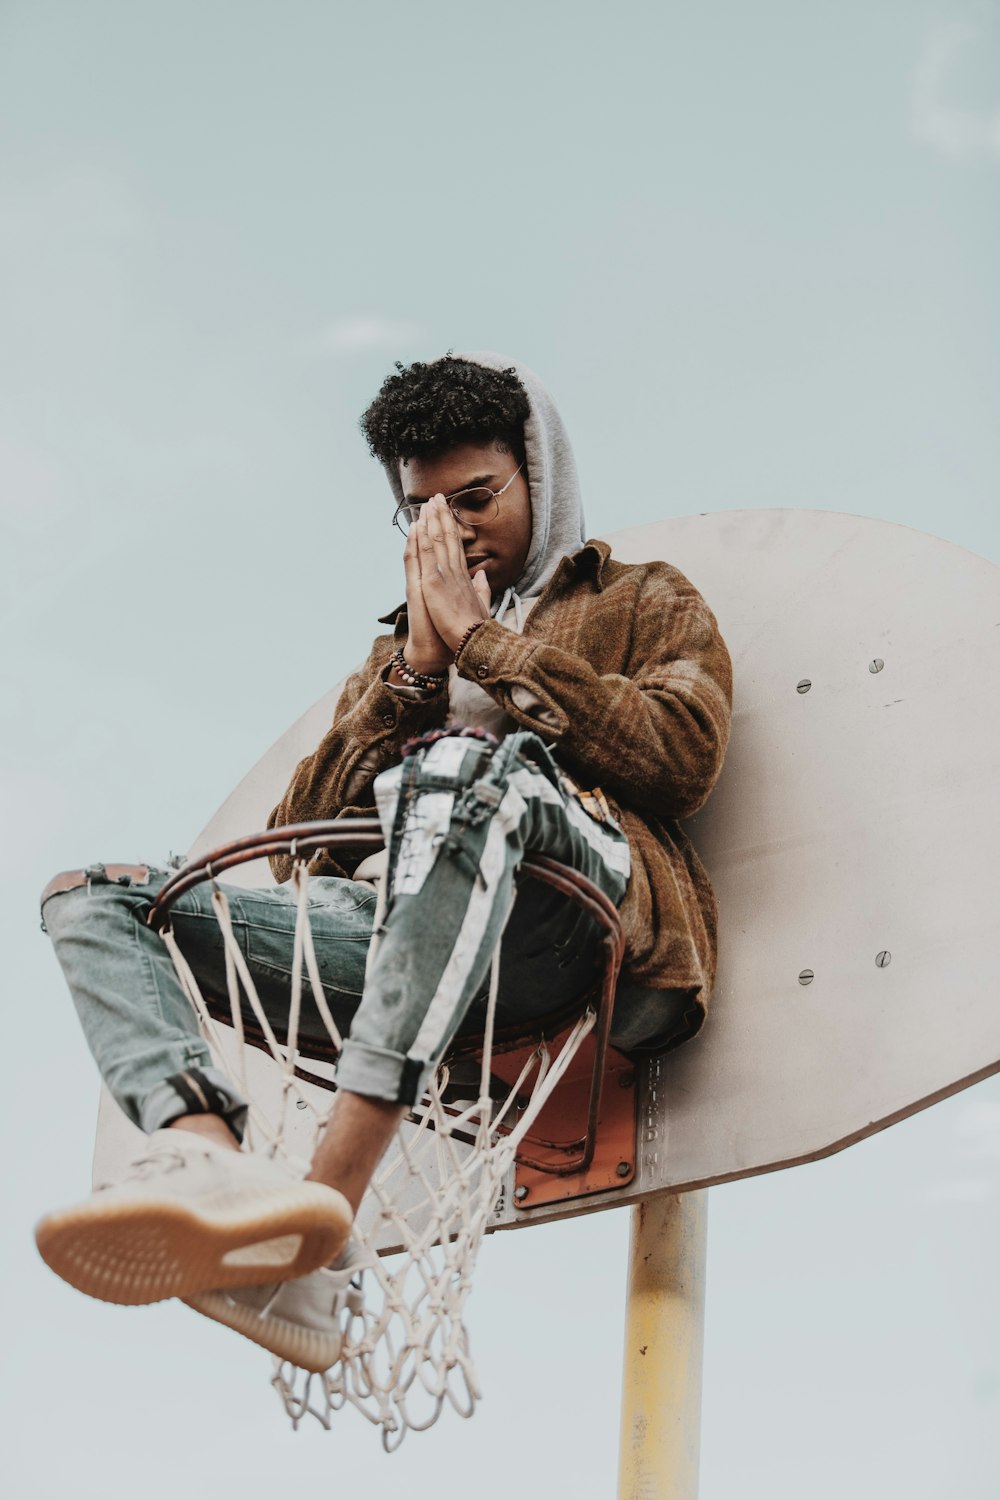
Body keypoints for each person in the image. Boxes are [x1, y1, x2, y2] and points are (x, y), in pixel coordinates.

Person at [35, 352, 732, 1373]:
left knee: (463, 772)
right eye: (421, 511)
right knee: (93, 899)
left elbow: (681, 756)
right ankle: (211, 1159)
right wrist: (417, 669)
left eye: (475, 496)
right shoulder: (399, 657)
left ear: (542, 475)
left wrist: (486, 646)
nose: (449, 530)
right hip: (406, 951)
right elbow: (304, 846)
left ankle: (327, 1208)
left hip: (574, 924)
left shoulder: (640, 597)